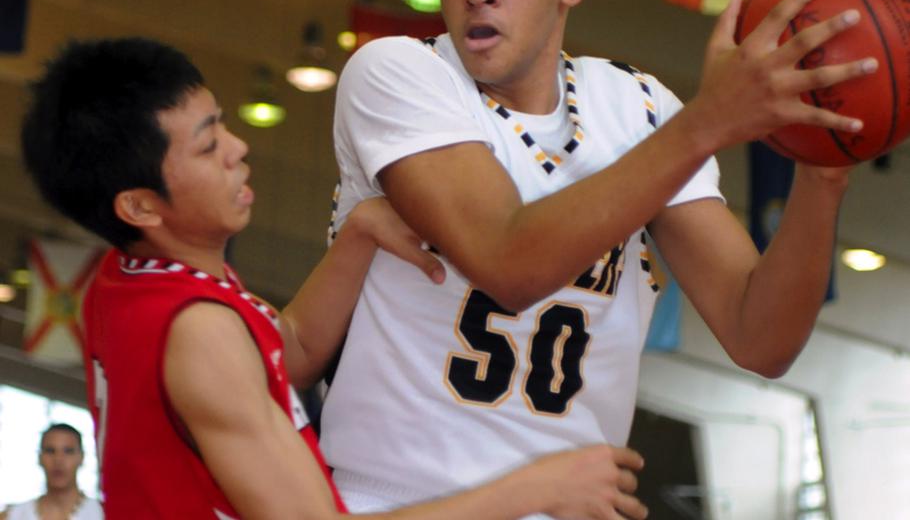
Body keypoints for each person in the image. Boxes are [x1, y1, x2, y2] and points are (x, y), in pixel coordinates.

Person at [321, 0, 876, 517]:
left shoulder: (638, 105)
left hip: (572, 506)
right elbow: (509, 264)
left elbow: (761, 338)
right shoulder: (398, 71)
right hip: (400, 499)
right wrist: (709, 120)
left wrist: (823, 173)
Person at [20, 36, 650, 519]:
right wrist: (536, 487)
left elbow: (279, 355)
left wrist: (357, 236)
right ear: (139, 206)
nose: (239, 148)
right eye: (208, 147)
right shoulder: (200, 333)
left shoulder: (128, 274)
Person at [0, 423, 103, 520]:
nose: (58, 460)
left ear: (81, 458)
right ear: (40, 458)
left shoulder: (103, 513)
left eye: (68, 451)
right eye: (50, 451)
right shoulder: (11, 516)